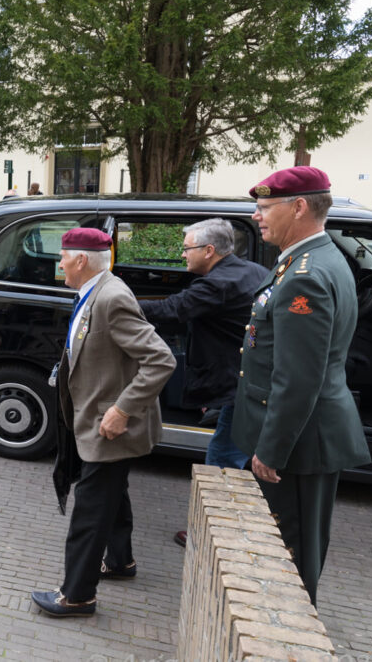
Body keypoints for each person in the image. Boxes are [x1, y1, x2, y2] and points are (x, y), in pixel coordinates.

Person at [232, 166, 370, 606]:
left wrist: (271, 449)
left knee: (290, 554)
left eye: (264, 206)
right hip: (303, 436)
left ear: (299, 207)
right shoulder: (313, 260)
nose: (256, 216)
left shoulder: (305, 275)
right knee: (292, 546)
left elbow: (297, 378)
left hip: (297, 444)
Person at [31, 227, 175, 618]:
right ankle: (120, 561)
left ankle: (77, 596)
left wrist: (123, 409)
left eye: (62, 256)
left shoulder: (110, 297)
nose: (58, 262)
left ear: (81, 260)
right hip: (95, 422)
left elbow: (161, 359)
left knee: (90, 514)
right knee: (114, 494)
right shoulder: (95, 292)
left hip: (108, 427)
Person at [137, 218, 268, 548]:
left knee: (222, 461)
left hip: (237, 387)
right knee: (231, 457)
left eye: (187, 248)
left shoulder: (216, 285)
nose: (183, 255)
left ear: (209, 251)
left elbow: (171, 309)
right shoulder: (252, 270)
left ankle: (213, 534)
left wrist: (114, 303)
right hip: (247, 382)